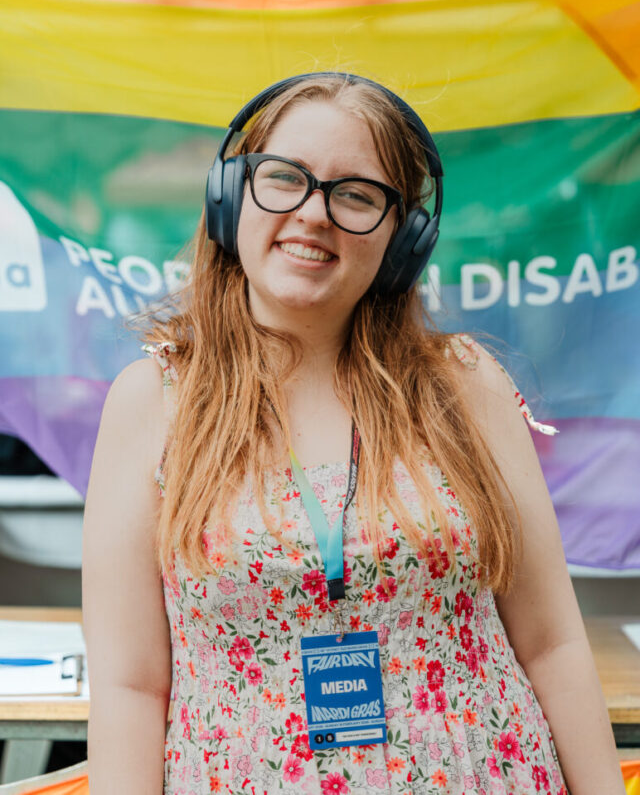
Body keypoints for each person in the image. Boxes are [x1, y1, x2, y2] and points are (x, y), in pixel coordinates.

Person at [82, 72, 624, 795]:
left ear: (405, 239)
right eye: (286, 178)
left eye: (356, 194)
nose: (315, 213)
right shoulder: (151, 403)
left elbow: (553, 645)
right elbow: (129, 687)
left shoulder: (468, 386)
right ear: (230, 195)